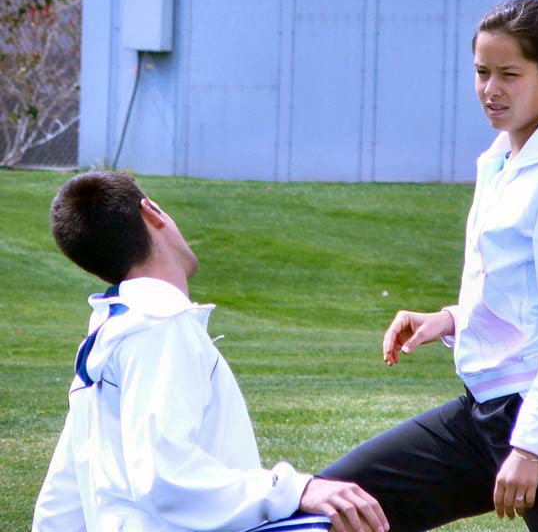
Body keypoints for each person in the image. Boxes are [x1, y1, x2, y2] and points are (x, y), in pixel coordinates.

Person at [318, 0, 538, 532]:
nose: (491, 90)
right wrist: (452, 319)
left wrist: (531, 449)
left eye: (509, 74)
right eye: (482, 72)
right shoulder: (501, 159)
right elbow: (515, 292)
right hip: (482, 412)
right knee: (334, 506)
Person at [33, 171, 389, 532]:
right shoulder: (161, 326)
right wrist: (293, 489)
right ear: (152, 213)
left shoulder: (110, 337)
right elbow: (164, 476)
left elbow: (62, 501)